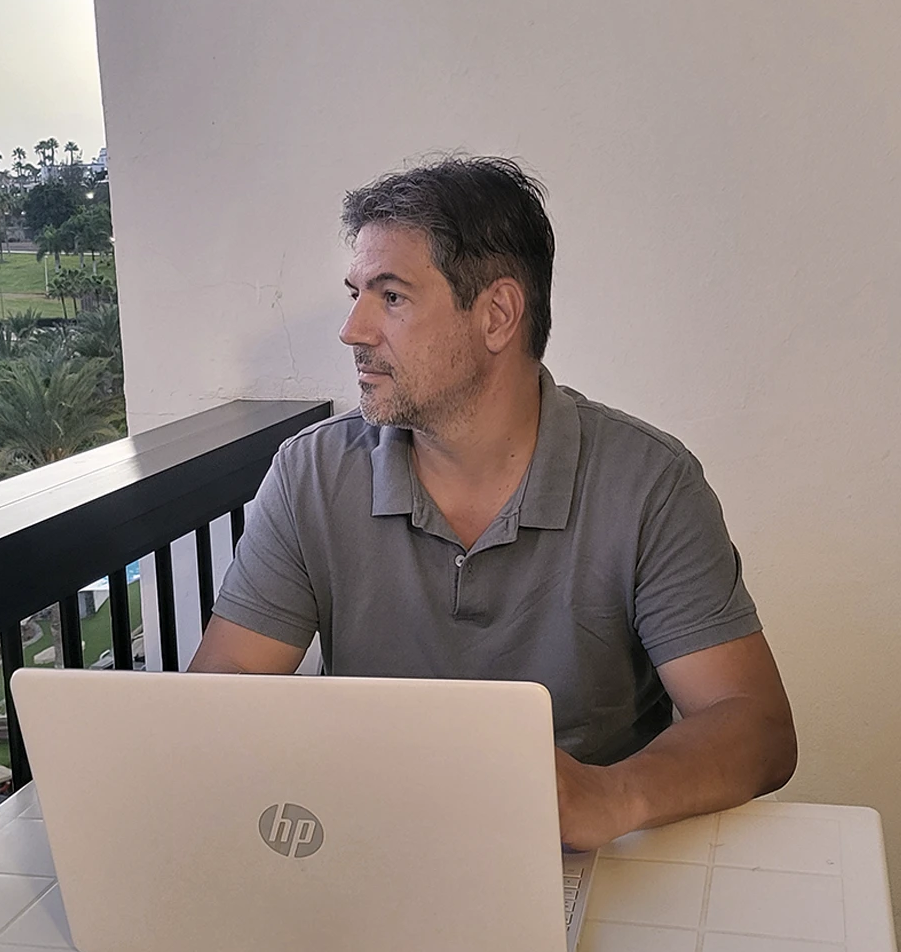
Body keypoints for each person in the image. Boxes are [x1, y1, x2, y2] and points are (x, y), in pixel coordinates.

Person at [192, 156, 797, 851]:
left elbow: (755, 725)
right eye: (356, 293)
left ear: (498, 316)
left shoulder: (649, 482)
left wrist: (611, 797)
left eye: (392, 297)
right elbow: (223, 690)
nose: (352, 329)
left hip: (586, 866)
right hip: (371, 849)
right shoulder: (312, 473)